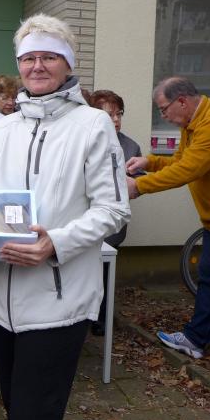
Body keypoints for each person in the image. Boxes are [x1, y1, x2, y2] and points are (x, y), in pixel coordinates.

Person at [0, 14, 131, 420]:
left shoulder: (93, 125)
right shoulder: (2, 128)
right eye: (29, 58)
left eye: (49, 56)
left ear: (67, 64)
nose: (38, 66)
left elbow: (113, 209)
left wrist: (55, 243)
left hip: (57, 301)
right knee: (20, 414)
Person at [128, 77, 210, 377]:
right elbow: (181, 160)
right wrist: (149, 162)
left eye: (163, 109)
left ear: (182, 101)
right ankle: (196, 339)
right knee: (208, 276)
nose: (163, 116)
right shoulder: (193, 124)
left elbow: (189, 170)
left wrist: (139, 186)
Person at [88, 88, 143, 336]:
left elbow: (137, 185)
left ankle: (101, 318)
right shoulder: (84, 138)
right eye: (109, 114)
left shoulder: (130, 146)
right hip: (81, 219)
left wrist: (130, 182)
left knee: (104, 271)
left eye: (119, 113)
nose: (116, 119)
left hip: (111, 225)